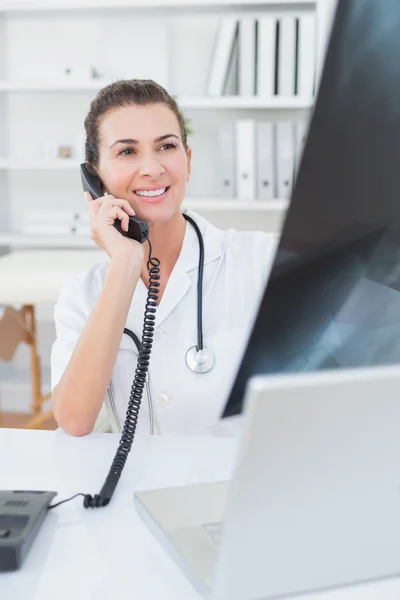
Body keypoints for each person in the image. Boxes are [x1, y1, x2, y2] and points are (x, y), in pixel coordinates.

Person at [50, 79, 277, 438]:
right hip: (136, 490)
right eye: (127, 152)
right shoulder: (82, 295)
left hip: (236, 487)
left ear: (187, 162)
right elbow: (77, 421)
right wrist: (125, 265)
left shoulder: (263, 260)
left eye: (166, 146)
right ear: (95, 179)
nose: (152, 168)